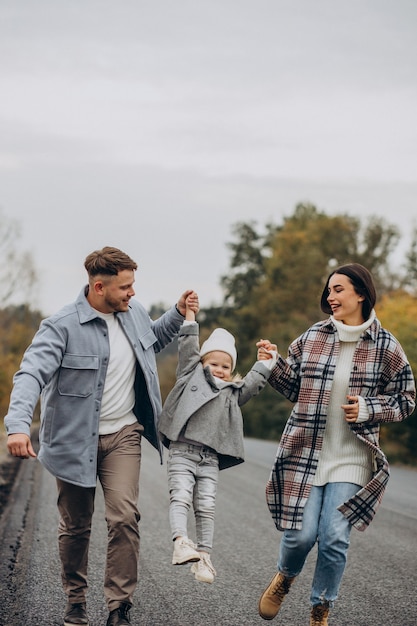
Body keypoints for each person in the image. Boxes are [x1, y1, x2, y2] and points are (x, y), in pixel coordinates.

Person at [4, 246, 199, 626]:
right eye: (125, 287)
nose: (132, 293)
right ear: (98, 287)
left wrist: (176, 313)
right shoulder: (60, 326)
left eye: (133, 285)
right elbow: (30, 374)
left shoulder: (134, 313)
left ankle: (118, 607)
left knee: (124, 517)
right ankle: (75, 603)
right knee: (76, 527)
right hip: (73, 442)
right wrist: (16, 425)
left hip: (123, 434)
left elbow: (152, 342)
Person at [256, 263, 415, 626]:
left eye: (339, 289)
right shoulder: (312, 336)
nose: (331, 296)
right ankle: (284, 577)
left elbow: (407, 400)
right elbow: (294, 388)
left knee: (332, 537)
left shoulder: (386, 345)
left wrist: (368, 408)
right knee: (300, 536)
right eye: (329, 290)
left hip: (353, 457)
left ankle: (321, 606)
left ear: (361, 293)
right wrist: (273, 363)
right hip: (307, 452)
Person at [158, 296, 277, 583]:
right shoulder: (190, 375)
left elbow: (253, 383)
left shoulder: (233, 392)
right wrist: (190, 317)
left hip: (209, 458)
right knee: (182, 496)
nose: (220, 369)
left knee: (207, 505)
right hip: (183, 452)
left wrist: (266, 362)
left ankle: (204, 556)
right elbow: (188, 349)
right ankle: (180, 542)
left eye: (226, 365)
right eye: (214, 363)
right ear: (202, 363)